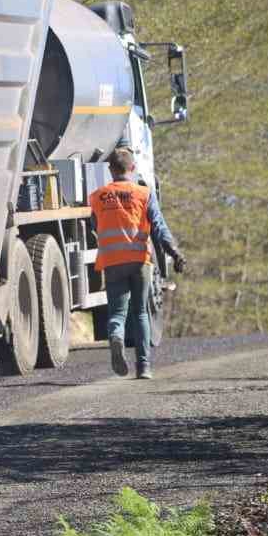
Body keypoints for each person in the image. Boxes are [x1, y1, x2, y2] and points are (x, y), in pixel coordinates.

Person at [86, 146, 187, 379]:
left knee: (117, 313)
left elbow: (95, 226)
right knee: (141, 313)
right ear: (132, 168)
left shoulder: (98, 196)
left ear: (111, 170)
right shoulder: (144, 193)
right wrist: (176, 254)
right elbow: (159, 228)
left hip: (112, 261)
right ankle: (144, 367)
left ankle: (116, 337)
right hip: (140, 260)